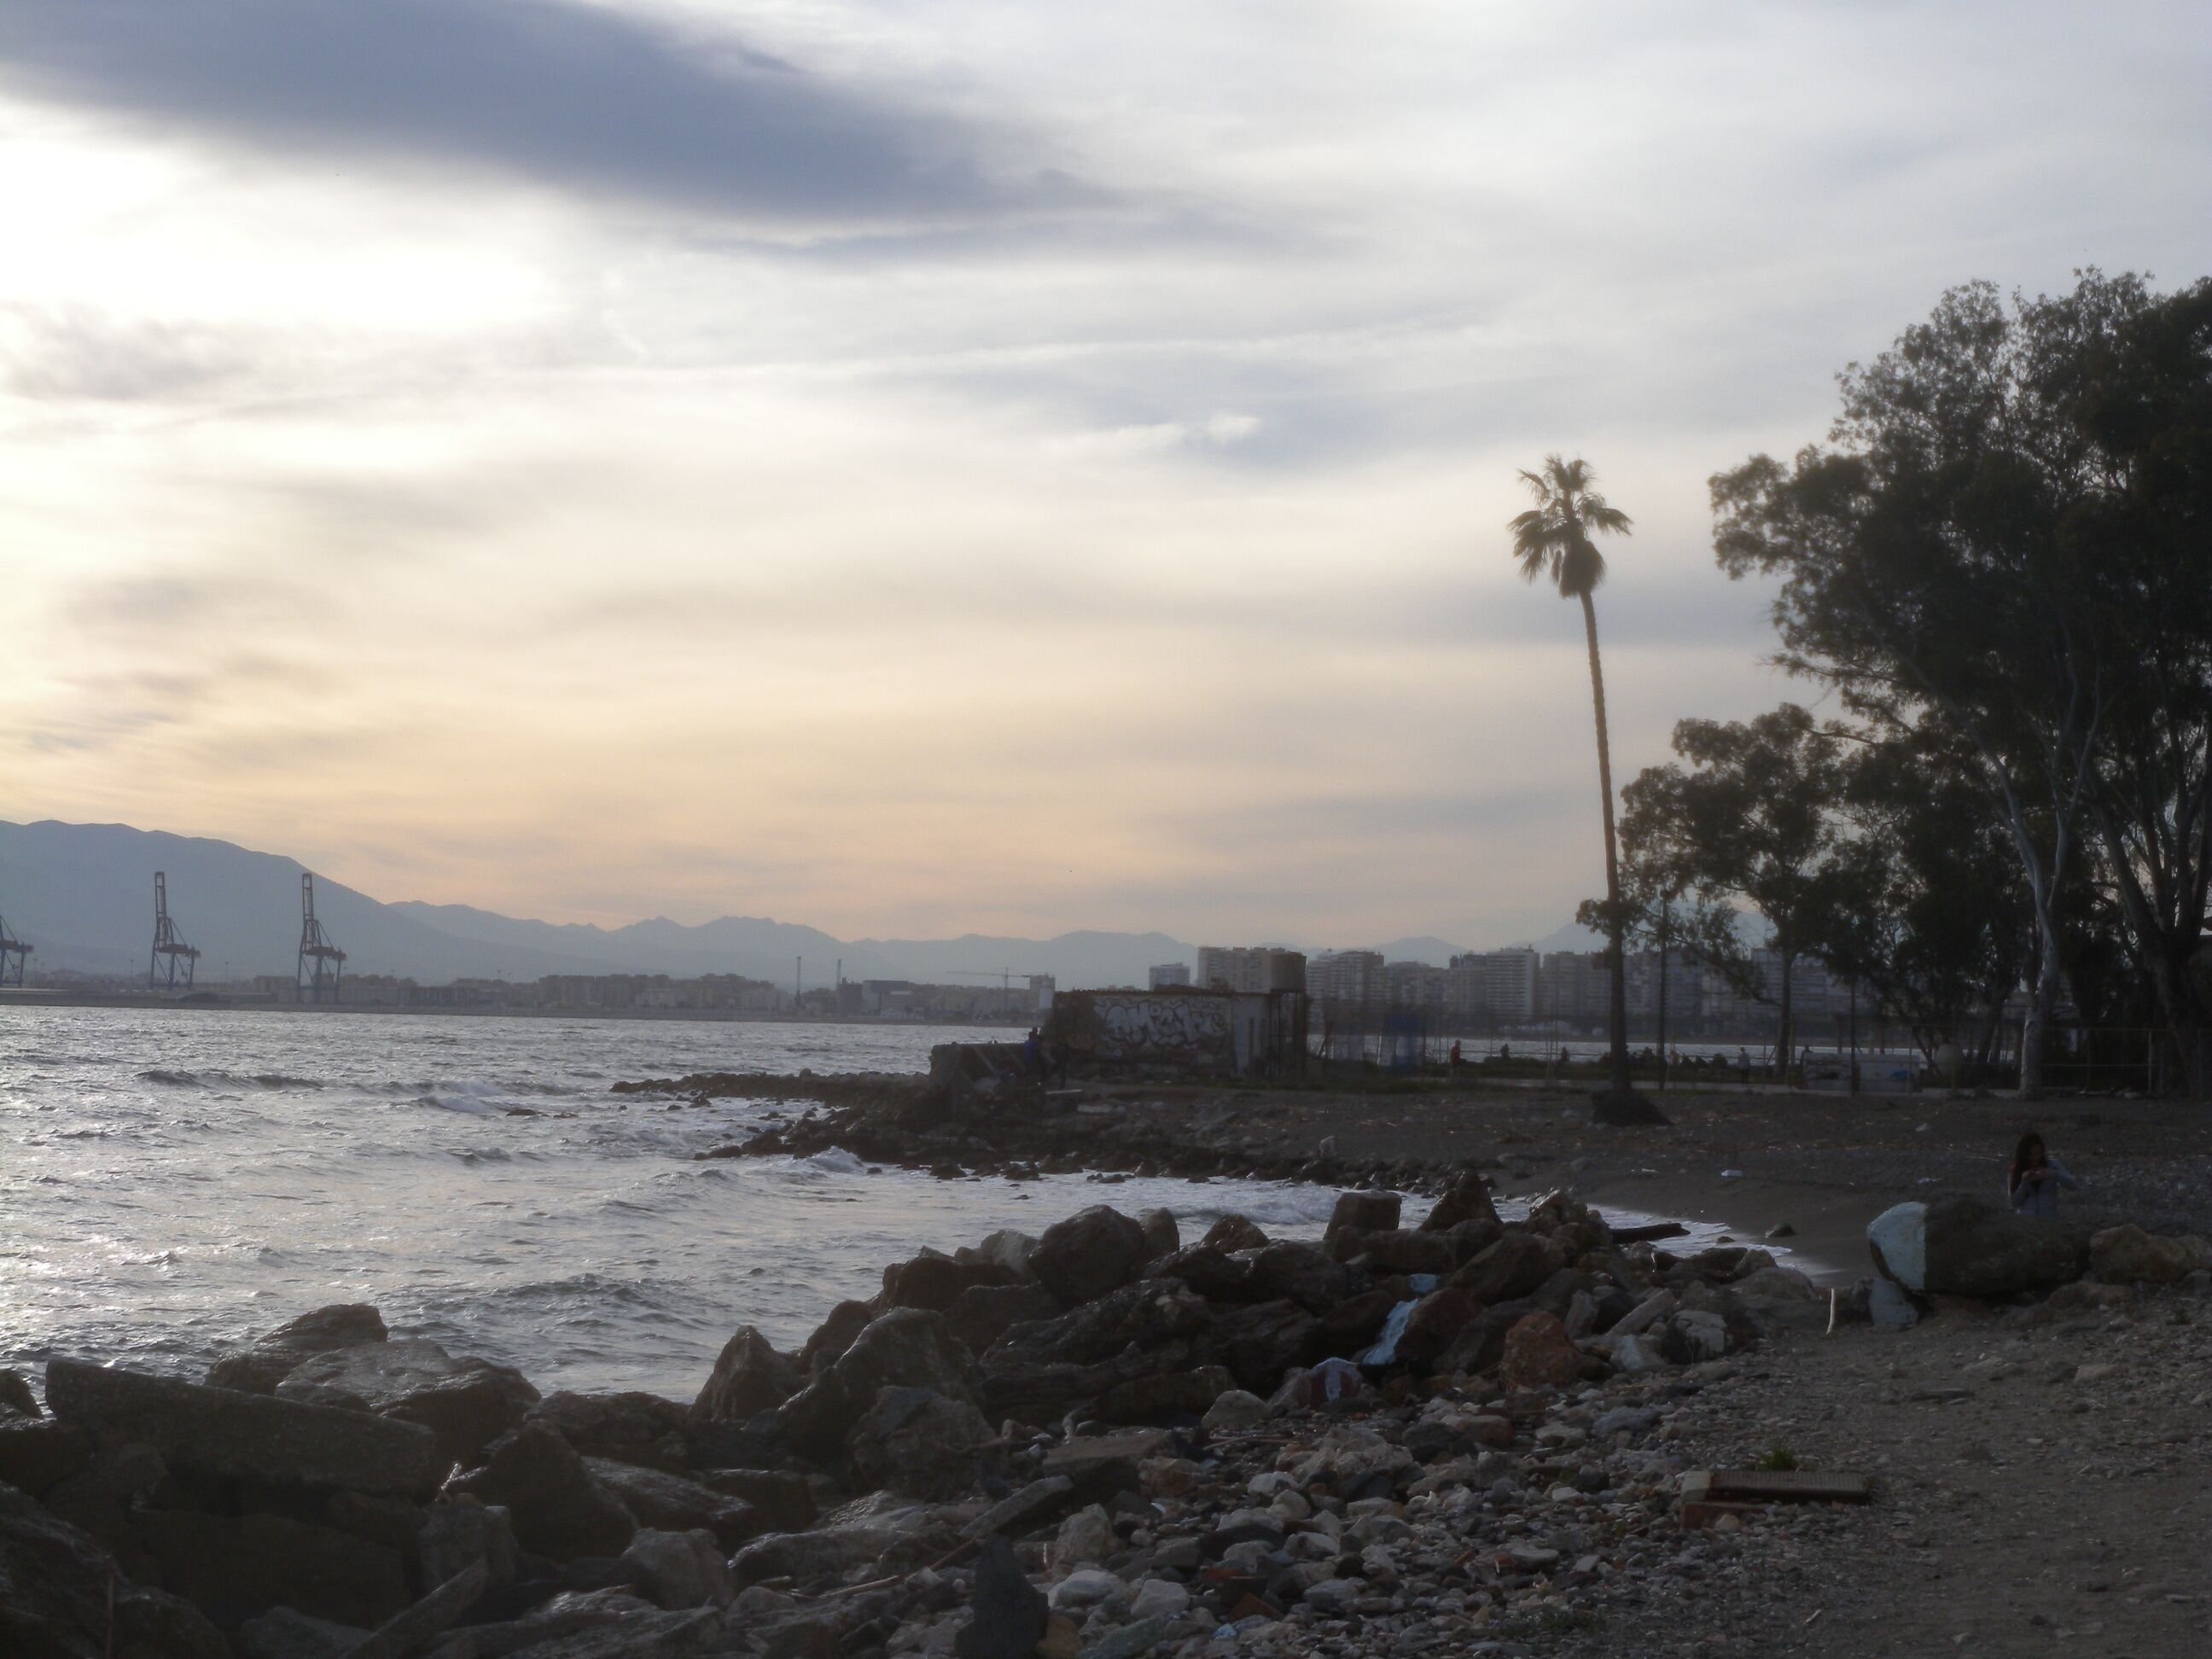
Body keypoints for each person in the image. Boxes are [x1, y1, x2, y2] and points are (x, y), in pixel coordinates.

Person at [2008, 1131, 2079, 1218]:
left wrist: (2054, 1174)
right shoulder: (2016, 1170)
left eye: (2037, 1153)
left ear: (2042, 1151)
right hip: (2026, 1220)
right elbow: (2014, 1203)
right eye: (2030, 1154)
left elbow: (2073, 1186)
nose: (2034, 1158)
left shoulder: (2053, 1165)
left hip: (2049, 1219)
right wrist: (2024, 1182)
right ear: (2023, 1154)